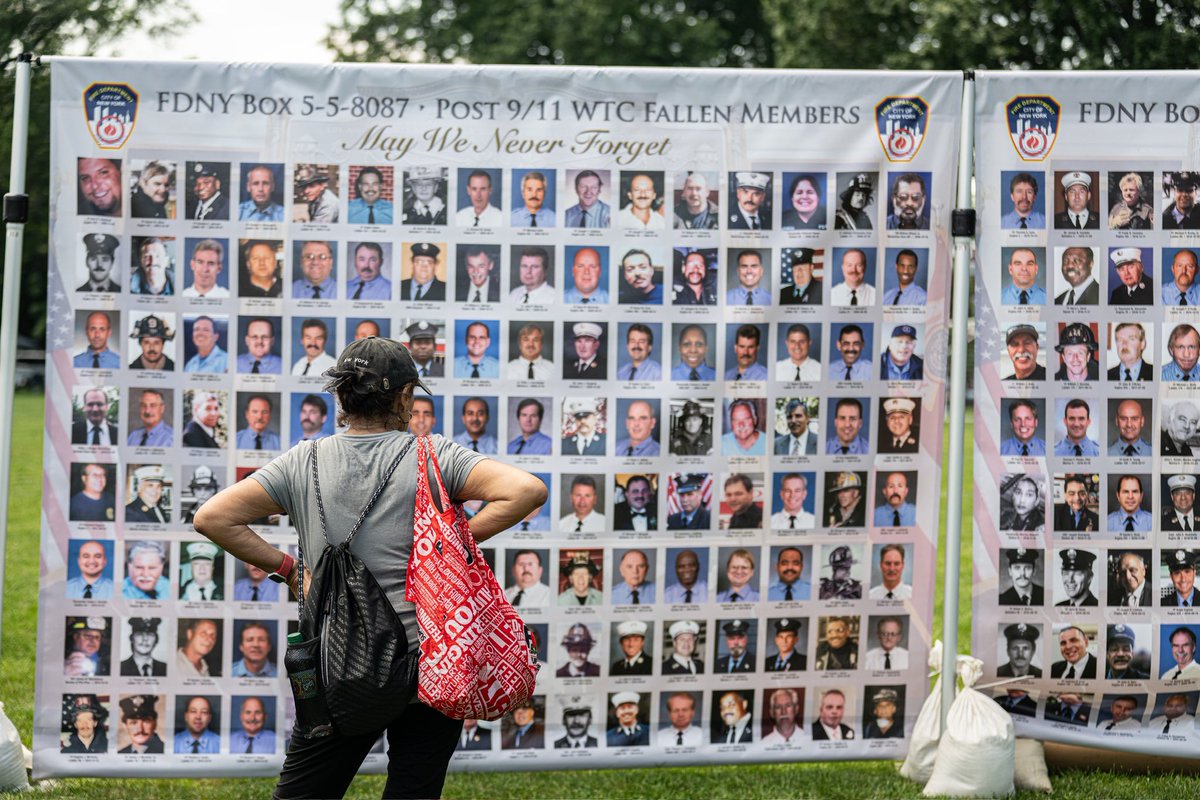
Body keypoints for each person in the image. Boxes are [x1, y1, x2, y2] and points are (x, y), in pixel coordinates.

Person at [193, 332, 547, 790]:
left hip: (339, 664)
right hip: (432, 660)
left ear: (341, 395)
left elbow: (212, 518)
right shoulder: (432, 455)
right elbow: (528, 490)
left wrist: (288, 570)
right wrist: (442, 544)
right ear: (404, 396)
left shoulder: (303, 460)